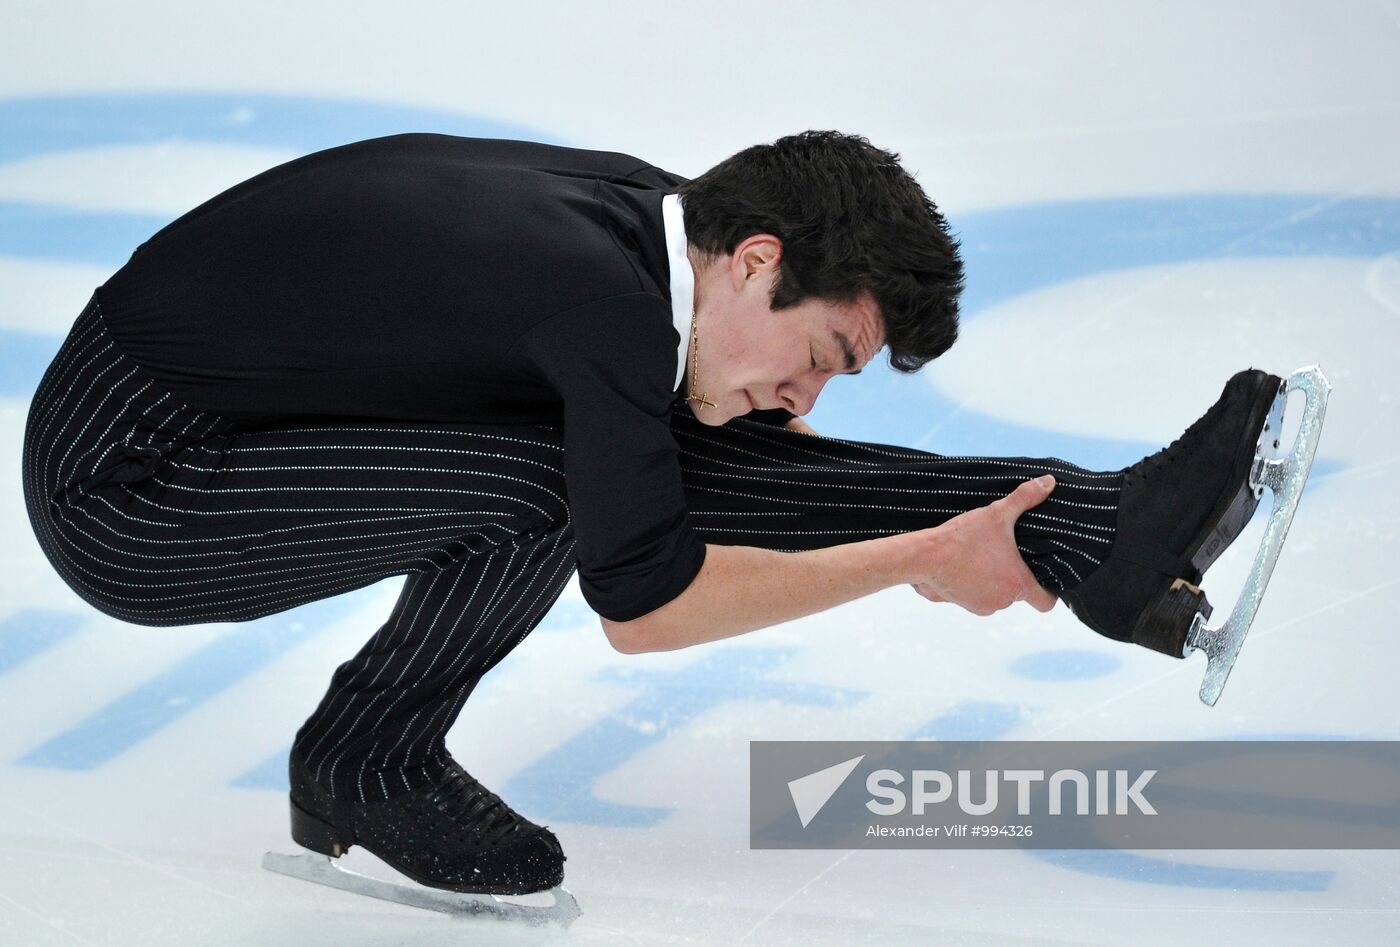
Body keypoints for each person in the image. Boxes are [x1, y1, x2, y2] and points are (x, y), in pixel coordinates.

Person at [20, 130, 1278, 896]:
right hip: (132, 486)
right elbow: (647, 603)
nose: (808, 395)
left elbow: (709, 439)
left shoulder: (654, 236)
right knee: (552, 486)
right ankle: (368, 757)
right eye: (827, 352)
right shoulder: (597, 299)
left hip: (233, 414)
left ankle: (1093, 520)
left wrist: (975, 515)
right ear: (754, 258)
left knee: (667, 438)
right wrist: (918, 557)